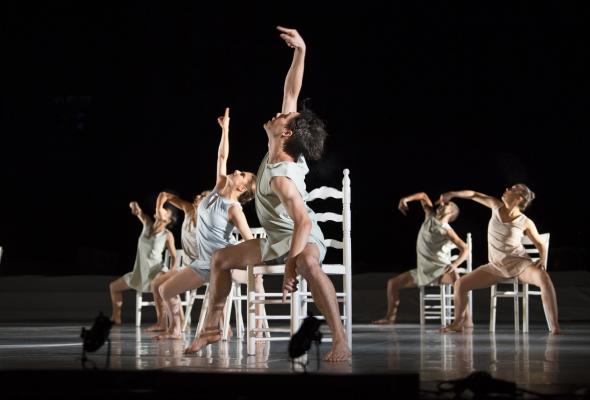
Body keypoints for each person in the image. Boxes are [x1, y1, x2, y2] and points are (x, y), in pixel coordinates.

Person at [185, 26, 351, 362]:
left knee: (307, 261)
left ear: (286, 132)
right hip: (276, 239)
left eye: (284, 117)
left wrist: (291, 265)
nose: (279, 113)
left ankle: (340, 340)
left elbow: (304, 223)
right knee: (220, 259)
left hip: (304, 238)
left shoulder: (282, 178)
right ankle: (211, 328)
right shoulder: (280, 147)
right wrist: (301, 51)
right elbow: (292, 89)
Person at [153, 107, 258, 340]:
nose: (237, 170)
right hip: (203, 263)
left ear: (241, 188)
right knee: (164, 290)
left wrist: (253, 271)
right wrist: (225, 130)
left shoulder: (234, 208)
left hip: (224, 264)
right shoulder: (216, 191)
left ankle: (251, 327)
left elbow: (251, 242)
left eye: (242, 174)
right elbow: (222, 158)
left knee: (250, 281)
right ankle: (176, 330)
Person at [439, 184, 561, 334]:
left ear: (519, 198)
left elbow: (540, 244)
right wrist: (452, 193)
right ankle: (458, 323)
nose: (507, 189)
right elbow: (474, 194)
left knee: (543, 277)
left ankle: (555, 327)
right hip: (495, 267)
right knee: (460, 284)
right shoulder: (495, 206)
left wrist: (543, 257)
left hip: (520, 265)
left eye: (512, 189)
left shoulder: (525, 222)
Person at [373, 192, 472, 326]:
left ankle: (466, 319)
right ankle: (389, 318)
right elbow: (424, 196)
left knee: (457, 279)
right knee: (392, 284)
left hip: (439, 270)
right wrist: (405, 199)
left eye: (447, 204)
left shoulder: (447, 230)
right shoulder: (429, 216)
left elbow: (465, 248)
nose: (442, 204)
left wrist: (455, 264)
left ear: (451, 212)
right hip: (422, 271)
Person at [143, 190, 210, 332]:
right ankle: (162, 323)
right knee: (156, 284)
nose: (197, 196)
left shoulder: (210, 219)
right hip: (186, 266)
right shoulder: (189, 209)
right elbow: (165, 195)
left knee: (166, 287)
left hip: (201, 268)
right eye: (199, 194)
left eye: (203, 196)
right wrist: (159, 209)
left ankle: (176, 327)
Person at [109, 201, 177, 325]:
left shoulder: (167, 235)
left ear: (169, 220)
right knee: (114, 287)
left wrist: (172, 272)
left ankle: (162, 322)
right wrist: (133, 205)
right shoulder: (147, 224)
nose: (161, 209)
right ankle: (116, 317)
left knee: (159, 284)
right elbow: (138, 211)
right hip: (140, 272)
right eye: (161, 208)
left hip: (156, 270)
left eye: (165, 210)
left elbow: (174, 256)